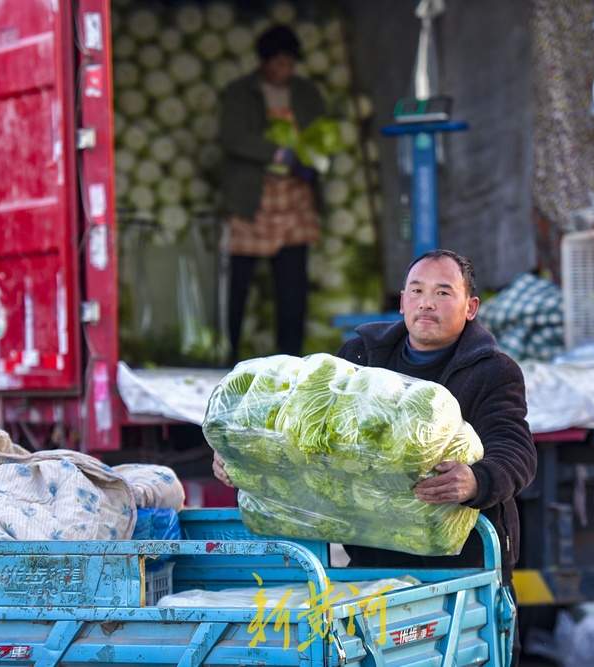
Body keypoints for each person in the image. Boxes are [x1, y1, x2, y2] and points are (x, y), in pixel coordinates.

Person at [213, 249, 535, 663]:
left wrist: (476, 480)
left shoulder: (494, 371)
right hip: (373, 564)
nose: (426, 303)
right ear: (401, 302)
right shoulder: (359, 356)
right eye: (416, 291)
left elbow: (516, 449)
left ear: (470, 307)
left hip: (460, 566)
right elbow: (303, 437)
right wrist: (241, 459)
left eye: (442, 292)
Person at [218, 24, 326, 361]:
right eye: (277, 64)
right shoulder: (238, 93)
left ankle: (291, 358)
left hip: (295, 198)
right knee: (239, 284)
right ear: (263, 62)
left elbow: (322, 132)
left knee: (292, 286)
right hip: (253, 198)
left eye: (289, 64)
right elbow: (232, 137)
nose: (284, 71)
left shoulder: (306, 93)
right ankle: (227, 352)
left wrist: (313, 159)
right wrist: (277, 154)